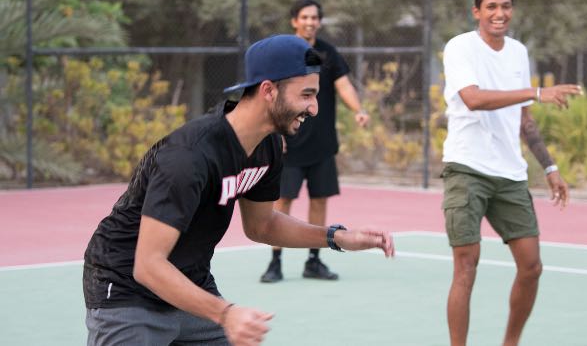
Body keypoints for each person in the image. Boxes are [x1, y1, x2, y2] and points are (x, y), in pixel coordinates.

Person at [82, 35, 395, 346]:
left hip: (190, 283)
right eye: (306, 95)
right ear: (269, 90)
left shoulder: (268, 146)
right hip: (127, 290)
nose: (314, 108)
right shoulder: (189, 157)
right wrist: (226, 313)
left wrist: (338, 237)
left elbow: (263, 225)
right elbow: (148, 266)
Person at [441, 0, 581, 346]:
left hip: (509, 174)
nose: (499, 13)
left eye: (505, 6)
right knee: (466, 266)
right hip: (466, 168)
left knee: (531, 266)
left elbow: (524, 121)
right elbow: (473, 99)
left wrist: (550, 168)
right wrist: (537, 92)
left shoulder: (519, 52)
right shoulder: (460, 47)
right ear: (477, 12)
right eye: (491, 7)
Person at [260, 0, 369, 283]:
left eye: (314, 18)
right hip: (289, 142)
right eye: (304, 17)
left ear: (319, 22)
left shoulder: (327, 52)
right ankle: (275, 262)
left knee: (319, 201)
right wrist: (274, 133)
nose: (310, 22)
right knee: (283, 202)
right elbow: (269, 94)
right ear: (294, 21)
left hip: (322, 144)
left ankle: (314, 260)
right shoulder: (283, 52)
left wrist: (358, 110)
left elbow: (343, 84)